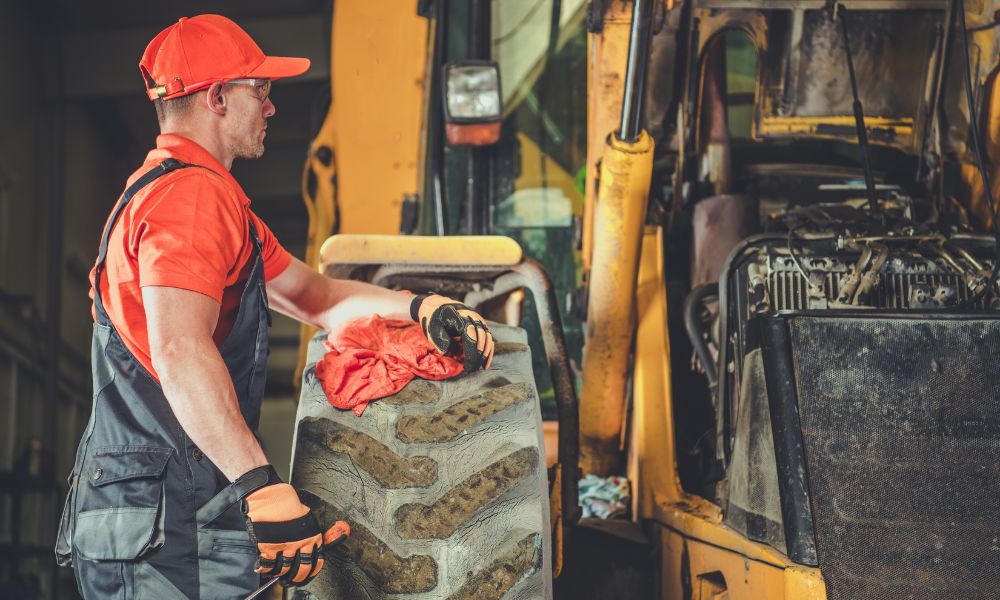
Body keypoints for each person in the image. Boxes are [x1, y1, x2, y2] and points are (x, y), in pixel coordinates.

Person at [54, 14, 494, 599]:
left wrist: (420, 308)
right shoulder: (191, 198)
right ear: (215, 97)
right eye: (258, 89)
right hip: (171, 524)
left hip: (166, 511)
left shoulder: (208, 202)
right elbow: (180, 347)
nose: (270, 107)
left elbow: (319, 297)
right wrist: (261, 488)